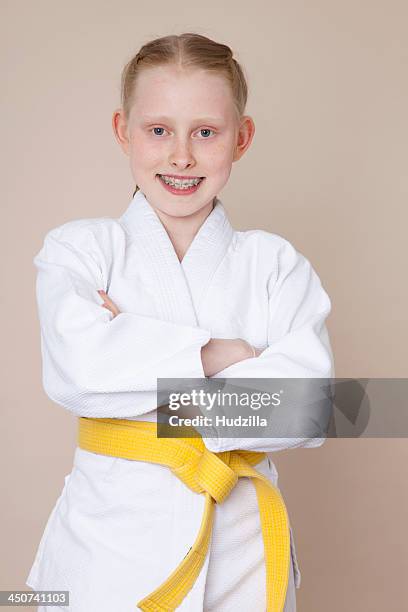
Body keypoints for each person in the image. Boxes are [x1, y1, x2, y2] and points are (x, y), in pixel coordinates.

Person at [26, 32, 334, 611]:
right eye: (159, 129)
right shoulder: (80, 250)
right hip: (103, 550)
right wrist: (225, 356)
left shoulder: (276, 264)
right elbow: (79, 373)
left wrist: (141, 382)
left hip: (241, 555)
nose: (182, 156)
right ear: (123, 130)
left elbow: (310, 405)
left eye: (206, 132)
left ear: (240, 138)